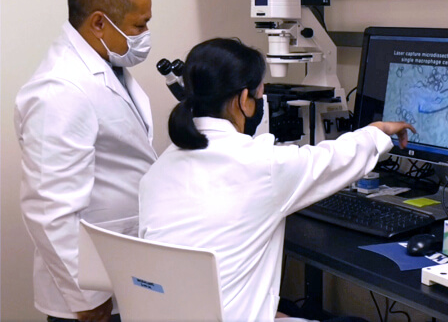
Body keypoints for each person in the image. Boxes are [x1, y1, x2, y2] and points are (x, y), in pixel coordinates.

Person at [138, 38, 415, 321]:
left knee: (290, 309)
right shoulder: (261, 165)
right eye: (260, 94)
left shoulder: (158, 170)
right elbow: (335, 159)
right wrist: (379, 131)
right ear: (243, 100)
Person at [14, 0, 157, 322]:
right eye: (139, 25)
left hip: (123, 274)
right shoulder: (60, 89)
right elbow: (49, 209)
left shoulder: (107, 66)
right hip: (87, 298)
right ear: (98, 23)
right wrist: (87, 300)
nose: (145, 35)